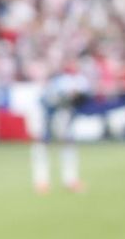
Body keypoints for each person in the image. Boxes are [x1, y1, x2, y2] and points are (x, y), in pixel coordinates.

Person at [32, 65, 89, 195]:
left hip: (61, 115)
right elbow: (46, 103)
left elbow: (80, 99)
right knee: (42, 145)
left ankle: (70, 180)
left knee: (68, 144)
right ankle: (41, 181)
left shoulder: (75, 82)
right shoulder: (56, 86)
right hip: (47, 115)